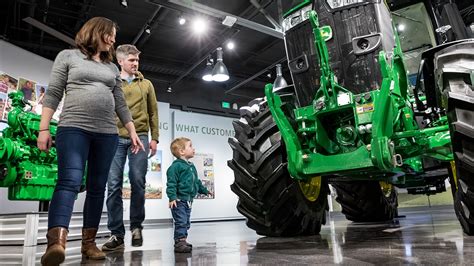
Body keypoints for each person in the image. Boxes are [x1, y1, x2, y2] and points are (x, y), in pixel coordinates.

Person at [37, 17, 144, 265]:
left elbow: (120, 102)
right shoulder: (68, 57)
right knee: (69, 181)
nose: (114, 40)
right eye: (111, 35)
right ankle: (56, 243)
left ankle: (89, 243)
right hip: (73, 128)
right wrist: (44, 128)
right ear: (97, 32)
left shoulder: (111, 68)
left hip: (107, 134)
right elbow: (53, 92)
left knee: (97, 189)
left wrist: (133, 131)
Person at [102, 44, 159, 251]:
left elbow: (153, 112)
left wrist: (155, 139)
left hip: (141, 137)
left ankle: (136, 227)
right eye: (131, 60)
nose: (135, 63)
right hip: (114, 138)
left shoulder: (146, 85)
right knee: (113, 185)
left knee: (138, 181)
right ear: (121, 61)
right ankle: (116, 233)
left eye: (137, 60)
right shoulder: (111, 82)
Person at [166, 137, 212, 253]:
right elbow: (171, 183)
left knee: (186, 222)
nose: (193, 148)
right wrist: (172, 197)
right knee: (181, 221)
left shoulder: (191, 167)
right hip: (179, 200)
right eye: (190, 146)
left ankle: (183, 240)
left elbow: (196, 182)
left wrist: (205, 191)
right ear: (182, 151)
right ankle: (179, 242)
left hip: (188, 200)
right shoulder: (175, 167)